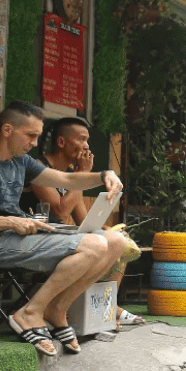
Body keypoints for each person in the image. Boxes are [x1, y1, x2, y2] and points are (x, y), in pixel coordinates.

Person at [0, 101, 129, 356]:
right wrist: (10, 221)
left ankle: (57, 309)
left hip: (23, 235)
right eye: (30, 135)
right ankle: (30, 312)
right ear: (8, 130)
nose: (34, 143)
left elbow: (65, 179)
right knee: (94, 245)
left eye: (38, 136)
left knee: (116, 241)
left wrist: (103, 175)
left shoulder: (23, 162)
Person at [19, 116, 145, 327]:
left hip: (60, 235)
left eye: (88, 140)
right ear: (61, 142)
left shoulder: (72, 175)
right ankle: (69, 308)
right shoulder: (39, 168)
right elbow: (60, 210)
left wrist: (109, 229)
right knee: (94, 246)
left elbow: (84, 220)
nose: (87, 146)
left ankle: (107, 305)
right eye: (82, 139)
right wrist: (83, 173)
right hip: (36, 237)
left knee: (118, 242)